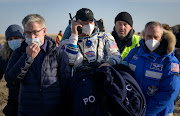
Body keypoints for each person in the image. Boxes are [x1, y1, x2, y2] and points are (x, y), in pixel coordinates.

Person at [5, 14, 71, 116]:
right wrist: (27, 57)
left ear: (44, 31)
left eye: (35, 32)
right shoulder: (18, 53)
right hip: (27, 110)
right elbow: (10, 78)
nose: (32, 37)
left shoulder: (58, 54)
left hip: (54, 110)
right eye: (28, 33)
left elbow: (66, 84)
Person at [124, 21, 180, 116]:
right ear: (144, 36)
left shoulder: (170, 61)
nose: (152, 40)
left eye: (156, 37)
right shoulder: (134, 53)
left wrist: (146, 112)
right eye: (149, 36)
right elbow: (123, 70)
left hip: (159, 113)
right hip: (135, 109)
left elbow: (170, 91)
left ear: (161, 38)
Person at [0, 24, 24, 116]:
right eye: (10, 39)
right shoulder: (4, 57)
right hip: (13, 99)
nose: (13, 41)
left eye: (16, 38)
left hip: (29, 98)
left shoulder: (29, 54)